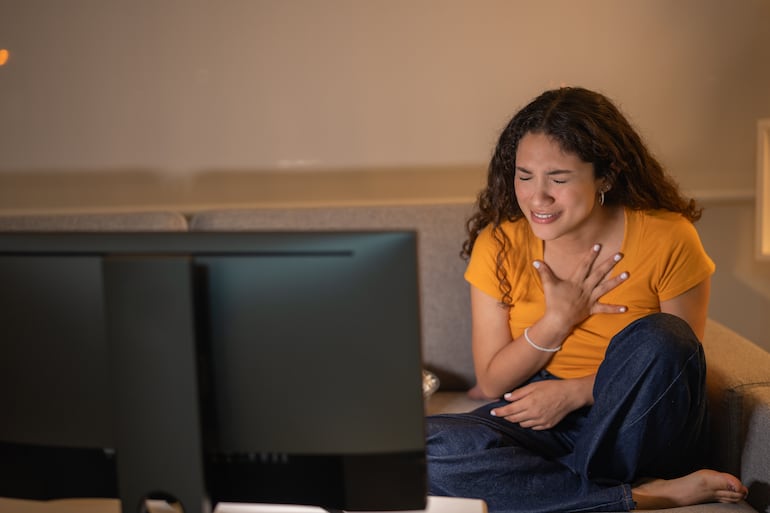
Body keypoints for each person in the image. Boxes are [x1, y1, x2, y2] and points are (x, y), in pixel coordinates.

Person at [425, 87, 749, 513]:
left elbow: (676, 366)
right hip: (538, 415)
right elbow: (492, 383)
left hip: (637, 419)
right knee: (423, 448)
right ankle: (638, 495)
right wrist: (558, 320)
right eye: (525, 176)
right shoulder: (499, 243)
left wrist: (578, 392)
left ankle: (551, 488)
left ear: (606, 177)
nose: (537, 197)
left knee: (664, 335)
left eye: (558, 179)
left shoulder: (668, 237)